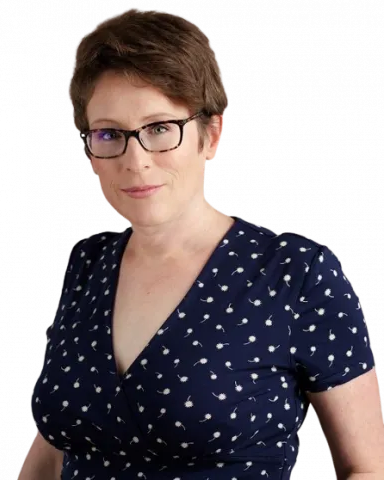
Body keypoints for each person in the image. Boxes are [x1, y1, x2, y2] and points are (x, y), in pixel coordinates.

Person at [19, 7, 384, 480]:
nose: (136, 160)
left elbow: (365, 468)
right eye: (109, 134)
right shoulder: (88, 262)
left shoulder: (296, 272)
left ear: (211, 135)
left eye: (159, 129)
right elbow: (52, 449)